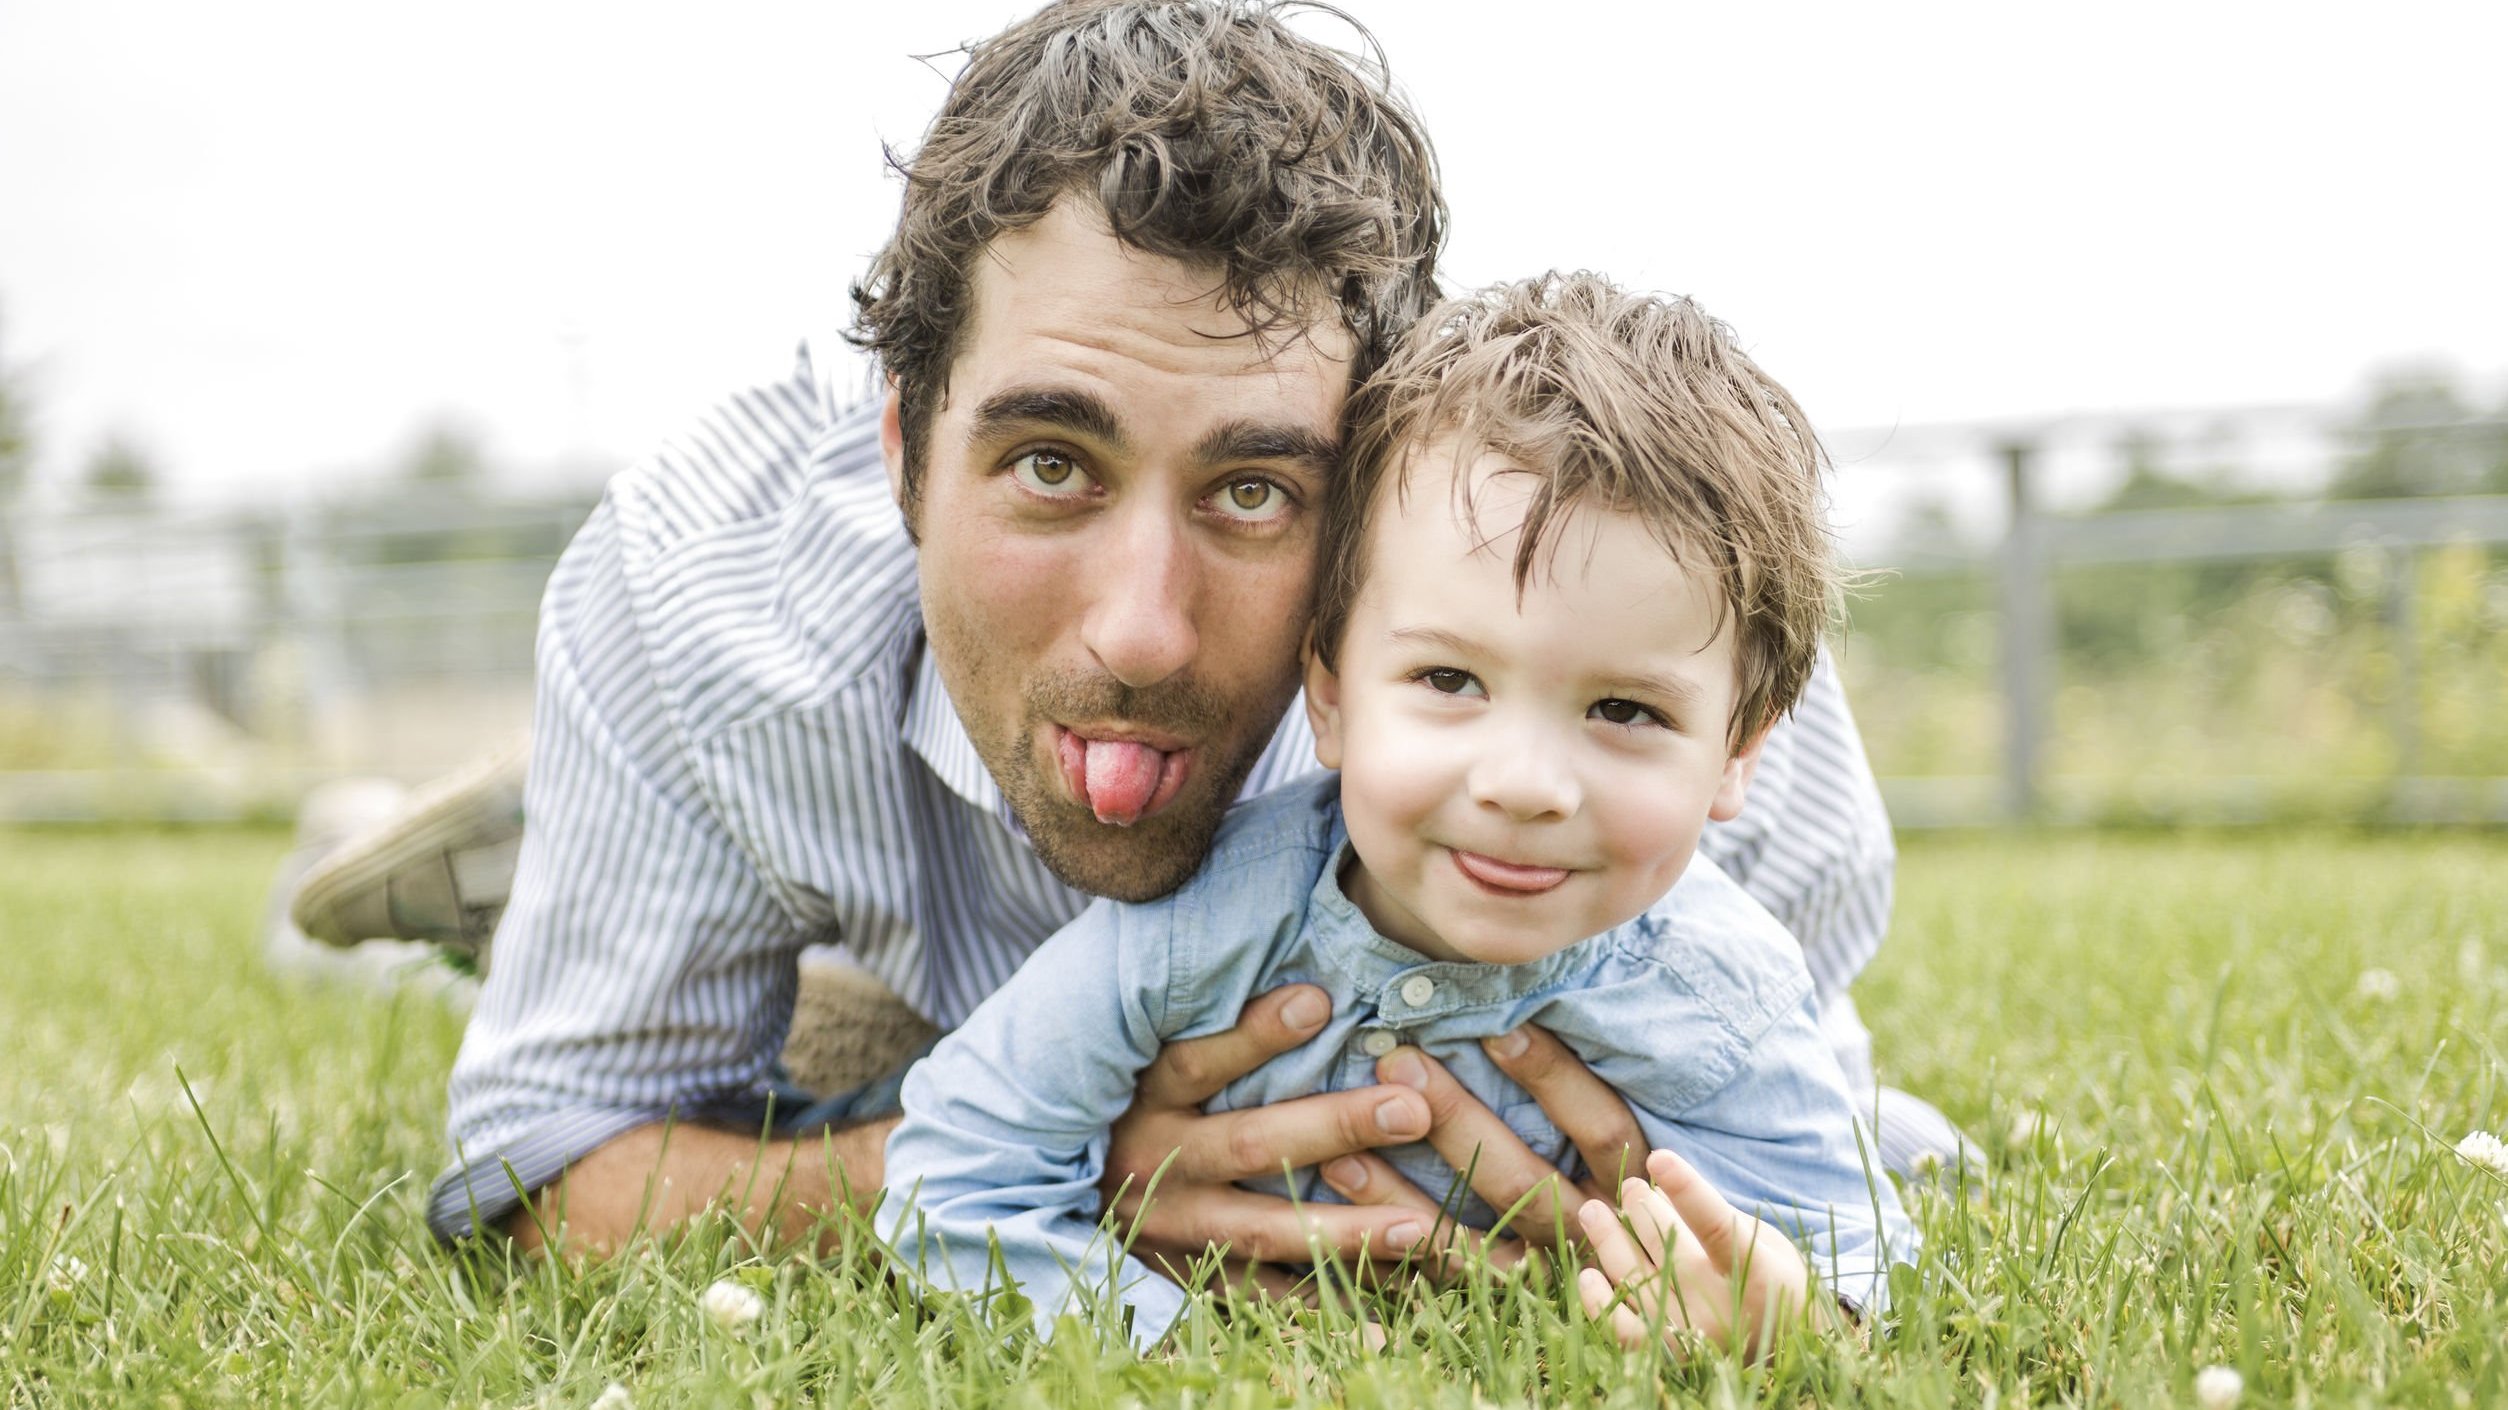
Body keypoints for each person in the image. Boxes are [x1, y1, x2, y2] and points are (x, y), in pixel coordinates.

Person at [289, 0, 1965, 1273]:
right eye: (1045, 465)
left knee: (867, 1038)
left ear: (1382, 472)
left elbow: (1799, 1145)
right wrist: (1044, 1157)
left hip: (988, 954)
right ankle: (481, 860)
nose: (1145, 630)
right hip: (824, 825)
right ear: (899, 446)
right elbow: (530, 1173)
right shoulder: (701, 602)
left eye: (1253, 490)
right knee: (847, 1050)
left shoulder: (1628, 621)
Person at [881, 274, 1916, 1351]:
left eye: (1624, 708)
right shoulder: (1198, 927)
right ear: (1330, 692)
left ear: (1738, 753)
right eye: (1449, 681)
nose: (1525, 784)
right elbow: (960, 1167)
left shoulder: (1718, 993)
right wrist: (1167, 1344)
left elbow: (1847, 1256)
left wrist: (1780, 1321)